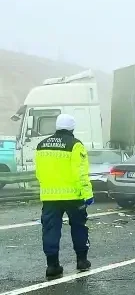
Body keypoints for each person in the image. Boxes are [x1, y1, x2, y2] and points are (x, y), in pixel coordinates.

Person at [34, 114, 94, 279]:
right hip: (73, 196)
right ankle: (82, 261)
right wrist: (87, 194)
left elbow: (39, 173)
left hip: (50, 197)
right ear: (72, 128)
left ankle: (52, 265)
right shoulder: (75, 145)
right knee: (79, 227)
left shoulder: (42, 145)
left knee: (50, 229)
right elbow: (81, 173)